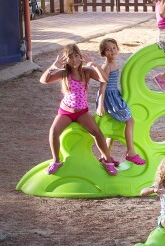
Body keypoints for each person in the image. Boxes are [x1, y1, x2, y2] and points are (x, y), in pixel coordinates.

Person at [40, 44, 118, 176]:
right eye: (70, 57)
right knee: (54, 131)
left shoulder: (86, 71)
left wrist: (94, 65)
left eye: (76, 56)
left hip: (82, 112)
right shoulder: (64, 73)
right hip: (66, 112)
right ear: (66, 59)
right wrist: (52, 67)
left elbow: (104, 79)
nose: (74, 60)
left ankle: (107, 161)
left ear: (80, 57)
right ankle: (56, 161)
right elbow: (44, 80)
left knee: (97, 133)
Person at [95, 38, 146, 167]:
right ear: (103, 53)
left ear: (117, 49)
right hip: (110, 97)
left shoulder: (113, 64)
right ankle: (131, 152)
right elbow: (102, 86)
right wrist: (100, 105)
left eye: (114, 48)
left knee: (113, 127)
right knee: (130, 120)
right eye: (108, 49)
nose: (112, 51)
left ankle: (105, 155)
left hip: (114, 94)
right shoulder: (107, 66)